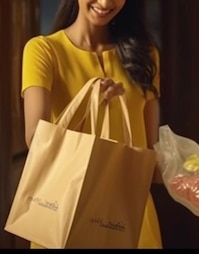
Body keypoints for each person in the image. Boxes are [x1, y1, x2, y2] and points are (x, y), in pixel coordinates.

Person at [21, 0, 163, 249]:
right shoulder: (43, 51)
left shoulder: (145, 55)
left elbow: (151, 156)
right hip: (63, 216)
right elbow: (36, 140)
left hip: (132, 220)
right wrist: (88, 101)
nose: (106, 2)